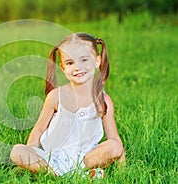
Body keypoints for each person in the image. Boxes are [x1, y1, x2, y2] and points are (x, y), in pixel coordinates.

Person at [10, 33, 125, 177]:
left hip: (86, 158)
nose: (78, 67)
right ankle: (65, 175)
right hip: (54, 158)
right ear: (63, 68)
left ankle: (72, 173)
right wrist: (30, 154)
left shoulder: (103, 100)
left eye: (84, 60)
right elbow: (39, 129)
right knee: (17, 151)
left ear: (97, 61)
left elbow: (114, 138)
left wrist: (123, 172)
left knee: (115, 146)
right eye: (70, 63)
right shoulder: (56, 97)